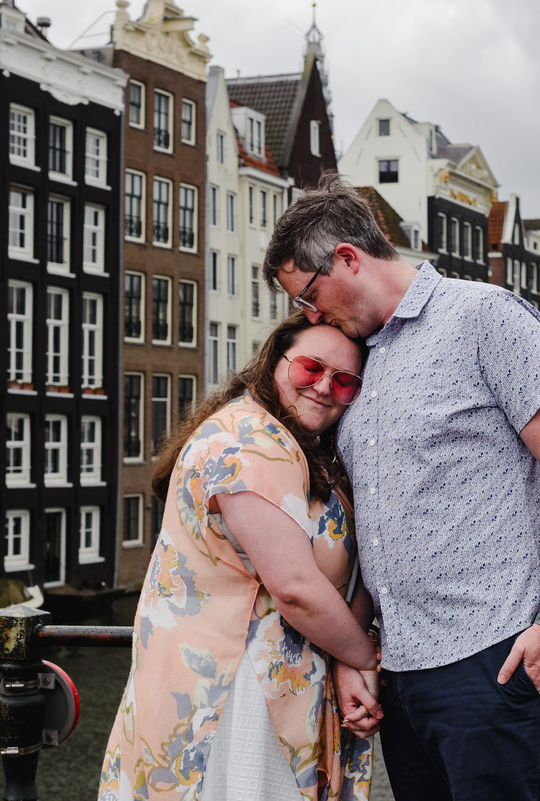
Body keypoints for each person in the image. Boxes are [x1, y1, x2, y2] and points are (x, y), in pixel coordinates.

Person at [264, 174, 540, 801]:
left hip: (494, 653)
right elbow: (379, 523)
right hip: (404, 667)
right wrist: (356, 653)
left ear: (347, 258)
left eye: (308, 296)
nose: (311, 317)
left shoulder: (484, 317)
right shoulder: (358, 365)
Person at [97, 311, 380, 801]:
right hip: (235, 692)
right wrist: (361, 658)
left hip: (271, 682)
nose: (324, 387)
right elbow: (295, 588)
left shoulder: (302, 446)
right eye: (311, 369)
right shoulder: (249, 442)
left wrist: (345, 660)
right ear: (276, 362)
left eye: (345, 381)